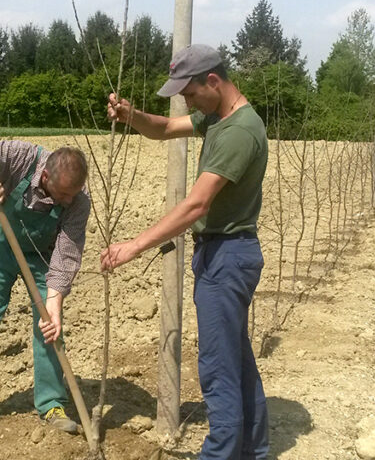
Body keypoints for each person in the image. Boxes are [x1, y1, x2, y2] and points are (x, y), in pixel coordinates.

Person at [100, 44, 270, 459]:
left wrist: (134, 246)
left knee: (217, 367)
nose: (189, 102)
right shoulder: (219, 117)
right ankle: (252, 450)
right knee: (236, 359)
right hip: (227, 253)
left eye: (191, 93)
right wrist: (132, 115)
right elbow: (164, 129)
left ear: (213, 81)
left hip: (226, 257)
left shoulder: (238, 132)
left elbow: (196, 205)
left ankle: (220, 452)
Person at [0, 140, 91, 435]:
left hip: (42, 257)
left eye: (72, 195)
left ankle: (52, 403)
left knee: (49, 328)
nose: (67, 201)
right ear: (47, 178)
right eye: (62, 194)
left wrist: (54, 300)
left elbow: (66, 253)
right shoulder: (23, 157)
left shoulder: (78, 200)